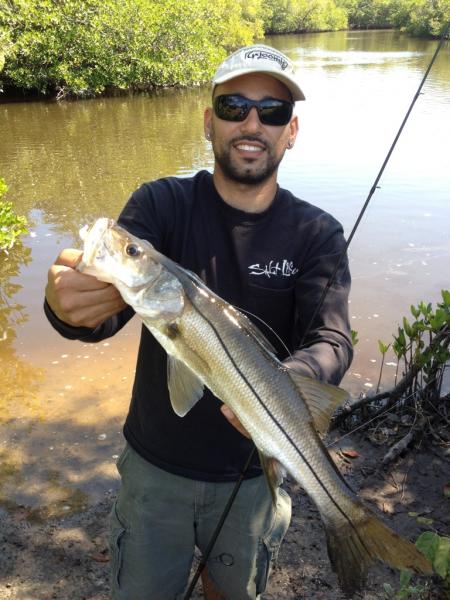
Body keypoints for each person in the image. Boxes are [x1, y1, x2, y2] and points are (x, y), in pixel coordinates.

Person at [44, 44, 353, 600]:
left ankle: (347, 522)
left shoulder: (317, 234)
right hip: (154, 469)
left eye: (272, 111)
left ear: (292, 131)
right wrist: (66, 309)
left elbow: (331, 338)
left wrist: (294, 379)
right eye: (234, 106)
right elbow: (101, 316)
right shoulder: (161, 205)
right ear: (209, 122)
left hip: (254, 476)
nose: (252, 123)